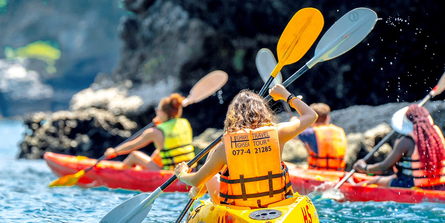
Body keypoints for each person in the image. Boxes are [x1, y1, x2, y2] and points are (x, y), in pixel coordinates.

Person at [174, 85, 317, 207]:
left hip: (239, 208)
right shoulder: (279, 133)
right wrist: (286, 95)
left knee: (210, 175)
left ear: (233, 116)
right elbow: (311, 115)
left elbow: (197, 180)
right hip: (275, 203)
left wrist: (181, 173)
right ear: (263, 111)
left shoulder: (224, 146)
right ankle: (196, 192)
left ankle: (196, 193)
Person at [352, 104, 445, 190]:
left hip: (412, 186)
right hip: (440, 186)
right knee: (380, 180)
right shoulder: (436, 136)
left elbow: (384, 167)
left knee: (377, 181)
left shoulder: (406, 141)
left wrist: (365, 168)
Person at [105, 93, 195, 170]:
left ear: (163, 113)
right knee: (158, 153)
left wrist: (114, 151)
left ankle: (121, 176)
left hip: (170, 172)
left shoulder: (154, 132)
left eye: (157, 110)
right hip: (188, 169)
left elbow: (133, 145)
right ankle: (142, 171)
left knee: (134, 156)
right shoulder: (185, 123)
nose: (156, 111)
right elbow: (173, 140)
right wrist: (161, 122)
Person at [297, 102, 348, 171]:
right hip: (337, 173)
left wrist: (294, 121)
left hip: (318, 175)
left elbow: (292, 133)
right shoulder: (340, 131)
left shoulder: (311, 133)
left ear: (312, 119)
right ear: (328, 118)